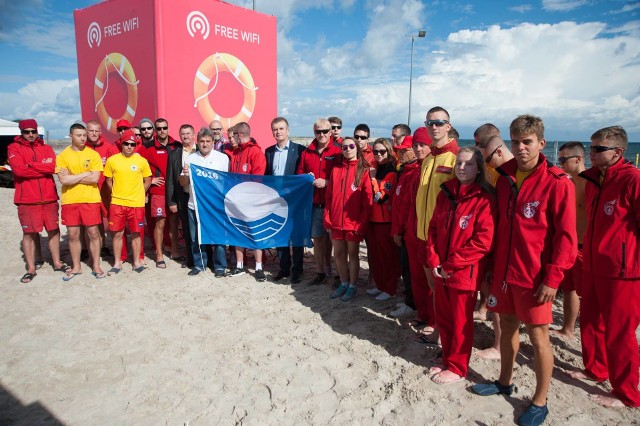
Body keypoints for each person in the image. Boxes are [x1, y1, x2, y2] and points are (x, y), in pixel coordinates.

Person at [472, 115, 577, 426]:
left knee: (538, 336)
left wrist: (553, 278)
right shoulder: (503, 177)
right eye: (515, 142)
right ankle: (504, 381)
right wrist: (490, 267)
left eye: (527, 142)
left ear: (541, 144)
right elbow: (497, 227)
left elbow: (567, 238)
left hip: (535, 278)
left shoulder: (557, 183)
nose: (520, 148)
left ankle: (540, 400)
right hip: (504, 273)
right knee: (504, 325)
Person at [570, 126, 640, 408]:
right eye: (591, 147)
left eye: (598, 149)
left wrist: (628, 257)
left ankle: (627, 394)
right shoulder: (594, 179)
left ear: (618, 152)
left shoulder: (632, 179)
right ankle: (596, 369)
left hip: (623, 271)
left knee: (620, 332)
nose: (591, 153)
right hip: (593, 263)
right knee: (590, 322)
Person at [425, 147, 496, 384]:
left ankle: (457, 367)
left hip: (464, 272)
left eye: (468, 164)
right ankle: (446, 356)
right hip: (441, 268)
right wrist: (434, 259)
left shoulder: (484, 198)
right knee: (443, 317)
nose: (462, 168)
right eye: (459, 164)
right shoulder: (445, 193)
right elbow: (433, 228)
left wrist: (451, 265)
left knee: (460, 321)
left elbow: (482, 242)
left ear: (479, 169)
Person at [415, 107, 460, 344]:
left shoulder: (456, 158)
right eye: (430, 123)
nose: (434, 127)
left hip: (443, 237)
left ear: (448, 126)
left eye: (439, 123)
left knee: (445, 290)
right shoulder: (428, 158)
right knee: (433, 287)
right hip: (424, 234)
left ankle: (445, 334)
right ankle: (437, 328)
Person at [8, 119, 67, 282]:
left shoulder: (46, 148)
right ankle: (32, 268)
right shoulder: (13, 148)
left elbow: (52, 167)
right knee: (29, 233)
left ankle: (56, 262)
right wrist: (40, 166)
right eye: (27, 132)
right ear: (21, 133)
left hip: (48, 198)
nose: (31, 135)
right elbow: (19, 171)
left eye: (33, 131)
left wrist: (30, 165)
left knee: (53, 230)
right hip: (27, 199)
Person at [474, 134, 514, 361]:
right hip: (496, 243)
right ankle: (499, 342)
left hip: (503, 245)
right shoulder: (503, 173)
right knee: (492, 292)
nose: (487, 164)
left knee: (498, 297)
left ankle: (499, 346)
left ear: (498, 151)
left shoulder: (507, 175)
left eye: (487, 159)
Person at [325, 137, 372, 302]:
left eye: (351, 146)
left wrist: (361, 224)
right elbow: (329, 196)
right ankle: (343, 283)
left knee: (353, 254)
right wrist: (327, 217)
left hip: (353, 223)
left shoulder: (363, 170)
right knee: (338, 253)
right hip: (337, 221)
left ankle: (352, 285)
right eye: (344, 147)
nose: (348, 149)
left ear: (356, 148)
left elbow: (368, 203)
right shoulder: (336, 169)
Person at [56, 123, 105, 280]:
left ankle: (96, 265)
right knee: (73, 234)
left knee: (93, 233)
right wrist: (85, 174)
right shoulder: (63, 156)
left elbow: (95, 178)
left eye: (84, 135)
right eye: (79, 135)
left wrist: (73, 176)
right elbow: (63, 180)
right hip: (70, 200)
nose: (83, 138)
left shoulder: (93, 154)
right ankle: (76, 266)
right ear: (71, 136)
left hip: (90, 199)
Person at [296, 118, 341, 284]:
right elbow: (300, 176)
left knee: (336, 242)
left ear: (331, 132)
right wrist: (306, 179)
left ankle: (338, 274)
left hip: (333, 204)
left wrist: (327, 182)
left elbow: (343, 177)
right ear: (314, 132)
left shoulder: (338, 152)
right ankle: (321, 271)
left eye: (325, 131)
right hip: (315, 204)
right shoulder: (307, 153)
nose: (321, 134)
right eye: (318, 131)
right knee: (318, 240)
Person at [180, 127, 230, 277]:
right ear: (197, 142)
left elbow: (225, 182)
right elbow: (182, 182)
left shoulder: (222, 158)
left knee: (219, 237)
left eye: (208, 141)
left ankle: (220, 266)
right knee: (196, 237)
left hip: (215, 205)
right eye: (202, 141)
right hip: (194, 204)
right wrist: (186, 174)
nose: (205, 144)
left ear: (213, 142)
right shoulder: (190, 158)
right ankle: (199, 264)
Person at [550, 142, 587, 338]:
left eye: (564, 160)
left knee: (585, 292)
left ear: (578, 159)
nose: (560, 163)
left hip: (585, 246)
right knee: (569, 288)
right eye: (559, 159)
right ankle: (568, 328)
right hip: (569, 245)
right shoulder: (568, 183)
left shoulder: (590, 183)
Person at [103, 130, 152, 274]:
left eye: (133, 144)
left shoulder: (141, 161)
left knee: (137, 233)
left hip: (136, 204)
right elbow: (108, 180)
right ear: (121, 143)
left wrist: (139, 192)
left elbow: (148, 179)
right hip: (118, 203)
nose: (130, 146)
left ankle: (136, 262)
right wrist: (116, 193)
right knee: (117, 234)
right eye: (126, 143)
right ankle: (118, 263)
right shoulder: (113, 160)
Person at [265, 117, 304, 284]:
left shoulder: (300, 150)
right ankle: (284, 268)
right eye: (275, 129)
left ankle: (297, 270)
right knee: (279, 233)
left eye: (281, 128)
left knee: (295, 236)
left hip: (295, 200)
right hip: (276, 201)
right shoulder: (268, 152)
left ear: (288, 130)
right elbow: (267, 176)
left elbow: (302, 176)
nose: (278, 132)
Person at [228, 121, 267, 281]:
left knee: (255, 233)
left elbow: (257, 178)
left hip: (252, 201)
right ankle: (239, 265)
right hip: (237, 201)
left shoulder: (256, 152)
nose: (231, 138)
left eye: (234, 135)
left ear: (240, 134)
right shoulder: (236, 153)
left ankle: (258, 267)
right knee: (238, 232)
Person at [140, 118, 180, 268]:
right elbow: (136, 166)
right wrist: (150, 179)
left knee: (174, 223)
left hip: (174, 191)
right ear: (155, 130)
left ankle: (175, 250)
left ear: (168, 128)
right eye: (159, 128)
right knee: (160, 223)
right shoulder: (147, 147)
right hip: (158, 192)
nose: (162, 131)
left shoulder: (176, 145)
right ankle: (159, 254)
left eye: (164, 128)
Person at [365, 138, 400, 301]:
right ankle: (380, 285)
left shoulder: (391, 171)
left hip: (385, 221)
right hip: (372, 219)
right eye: (376, 151)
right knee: (376, 256)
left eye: (382, 151)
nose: (378, 154)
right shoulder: (376, 168)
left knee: (387, 257)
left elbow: (382, 197)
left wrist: (372, 179)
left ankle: (390, 288)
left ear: (388, 151)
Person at [389, 136, 419, 318]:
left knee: (410, 269)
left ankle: (412, 304)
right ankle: (410, 300)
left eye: (404, 150)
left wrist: (400, 231)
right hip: (402, 229)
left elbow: (408, 207)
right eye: (399, 150)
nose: (400, 153)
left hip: (408, 231)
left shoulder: (414, 172)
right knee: (405, 267)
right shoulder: (405, 171)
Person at [166, 124, 198, 269]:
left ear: (193, 134)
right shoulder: (174, 154)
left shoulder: (201, 149)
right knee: (187, 230)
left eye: (188, 133)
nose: (185, 136)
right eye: (183, 134)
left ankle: (206, 259)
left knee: (202, 229)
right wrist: (172, 202)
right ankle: (192, 260)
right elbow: (171, 180)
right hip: (183, 197)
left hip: (200, 197)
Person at [85, 120, 119, 257]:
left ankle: (104, 245)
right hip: (88, 191)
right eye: (91, 130)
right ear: (86, 132)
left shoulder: (109, 148)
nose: (93, 133)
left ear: (100, 132)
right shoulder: (82, 149)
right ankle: (87, 249)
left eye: (96, 131)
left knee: (108, 219)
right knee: (90, 222)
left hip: (105, 191)